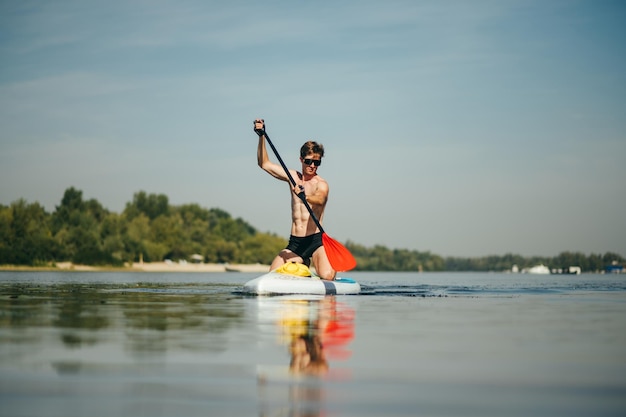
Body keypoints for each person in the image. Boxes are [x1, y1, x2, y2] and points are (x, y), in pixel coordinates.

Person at [254, 118, 336, 280]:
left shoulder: (322, 184)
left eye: (317, 162)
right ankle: (303, 262)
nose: (312, 165)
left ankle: (323, 265)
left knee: (327, 276)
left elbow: (320, 199)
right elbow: (264, 163)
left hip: (316, 241)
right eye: (309, 161)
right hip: (296, 243)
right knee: (272, 276)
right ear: (301, 160)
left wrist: (305, 196)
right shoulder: (293, 177)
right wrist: (261, 136)